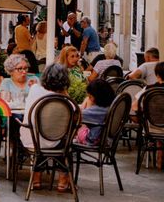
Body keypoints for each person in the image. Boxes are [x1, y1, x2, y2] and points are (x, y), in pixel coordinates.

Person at [20, 63, 72, 192]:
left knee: (43, 138)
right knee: (64, 141)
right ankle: (63, 180)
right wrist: (64, 91)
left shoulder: (35, 89)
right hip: (53, 141)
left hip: (30, 139)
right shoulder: (66, 101)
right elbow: (76, 118)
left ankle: (36, 178)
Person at [75, 79, 116, 145]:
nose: (89, 98)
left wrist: (86, 103)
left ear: (96, 96)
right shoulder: (111, 105)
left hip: (92, 139)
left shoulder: (97, 111)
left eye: (90, 96)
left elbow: (76, 116)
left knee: (76, 124)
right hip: (107, 138)